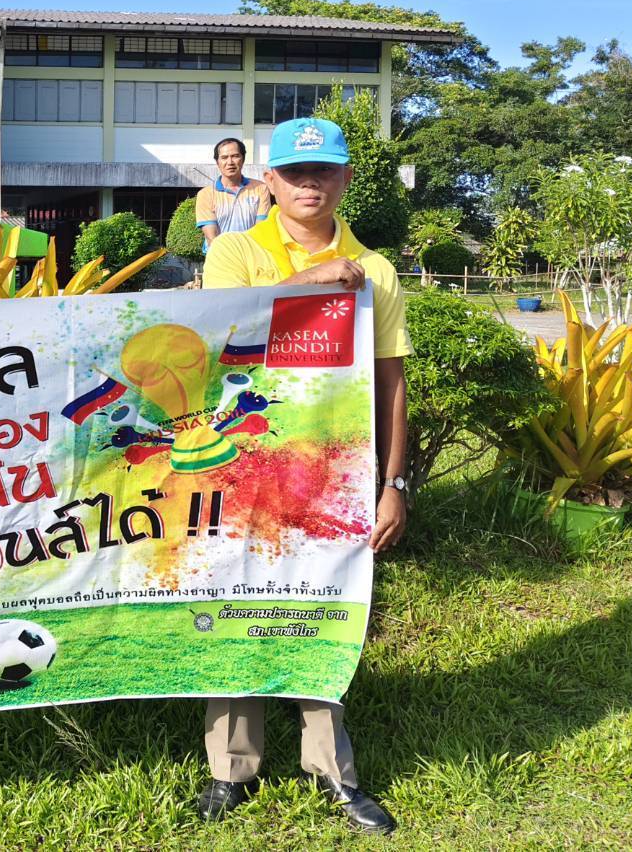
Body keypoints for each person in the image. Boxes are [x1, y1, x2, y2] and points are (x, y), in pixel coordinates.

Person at [197, 117, 409, 835]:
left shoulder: (375, 270)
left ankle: (332, 773)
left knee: (324, 610)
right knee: (236, 609)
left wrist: (393, 484)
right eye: (294, 172)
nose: (308, 184)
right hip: (238, 467)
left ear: (344, 179)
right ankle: (231, 769)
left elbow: (391, 381)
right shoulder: (234, 251)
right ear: (270, 182)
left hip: (332, 474)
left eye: (323, 171)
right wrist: (307, 281)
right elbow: (221, 338)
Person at [194, 137, 271, 253]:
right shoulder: (206, 194)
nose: (230, 162)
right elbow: (211, 237)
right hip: (219, 257)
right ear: (217, 162)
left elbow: (261, 229)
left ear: (243, 159)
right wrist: (231, 259)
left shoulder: (261, 188)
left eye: (235, 156)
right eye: (224, 157)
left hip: (251, 256)